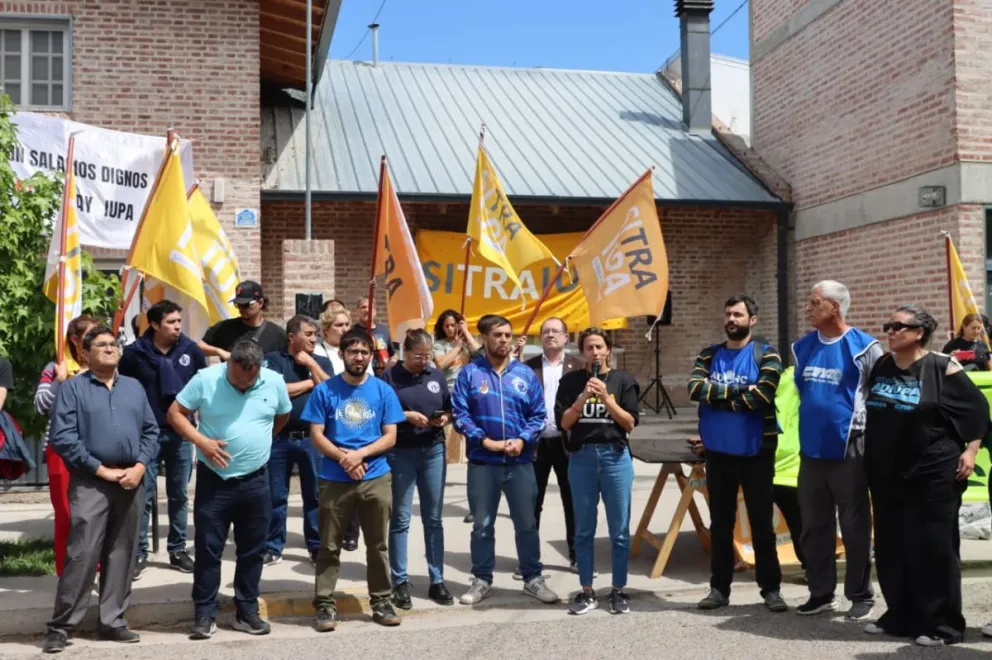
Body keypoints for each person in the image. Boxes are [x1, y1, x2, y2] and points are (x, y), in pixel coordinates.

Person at [861, 305, 988, 647]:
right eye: (888, 325)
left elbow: (977, 410)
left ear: (919, 333)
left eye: (899, 327)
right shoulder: (883, 365)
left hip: (933, 473)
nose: (890, 331)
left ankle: (942, 626)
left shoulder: (941, 367)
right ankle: (900, 616)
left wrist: (971, 449)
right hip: (887, 475)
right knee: (892, 548)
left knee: (934, 549)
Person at [43, 326, 159, 654]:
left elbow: (151, 431)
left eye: (113, 344)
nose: (110, 349)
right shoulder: (73, 389)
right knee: (82, 553)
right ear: (85, 353)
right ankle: (62, 625)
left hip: (131, 480)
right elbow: (62, 437)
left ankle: (113, 621)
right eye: (101, 345)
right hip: (92, 481)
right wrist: (101, 469)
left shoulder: (134, 388)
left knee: (122, 552)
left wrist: (139, 467)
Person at [167, 340, 292, 641]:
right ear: (230, 364)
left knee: (252, 549)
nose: (245, 384)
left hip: (256, 482)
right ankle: (204, 614)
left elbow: (282, 416)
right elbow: (175, 413)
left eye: (251, 380)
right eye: (239, 379)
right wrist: (202, 442)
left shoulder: (274, 382)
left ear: (259, 369)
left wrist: (260, 440)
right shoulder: (206, 379)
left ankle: (246, 610)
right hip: (215, 482)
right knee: (208, 549)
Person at [301, 328, 407, 632]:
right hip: (334, 477)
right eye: (352, 351)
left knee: (377, 545)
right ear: (343, 354)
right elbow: (317, 436)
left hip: (375, 476)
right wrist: (344, 458)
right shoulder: (325, 391)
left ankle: (382, 601)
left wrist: (359, 455)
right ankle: (324, 604)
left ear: (371, 356)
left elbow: (391, 436)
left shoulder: (383, 391)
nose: (358, 357)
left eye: (364, 352)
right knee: (329, 545)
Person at [451, 315, 559, 606]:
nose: (503, 340)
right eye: (497, 335)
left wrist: (522, 440)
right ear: (484, 337)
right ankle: (482, 579)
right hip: (483, 462)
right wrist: (484, 440)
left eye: (508, 335)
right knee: (483, 526)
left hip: (520, 463)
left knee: (526, 524)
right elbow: (460, 414)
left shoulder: (524, 374)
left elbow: (539, 416)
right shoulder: (469, 374)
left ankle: (532, 578)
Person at [687, 296, 786, 613]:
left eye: (738, 314)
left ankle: (771, 590)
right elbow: (693, 389)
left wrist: (718, 398)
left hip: (757, 450)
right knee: (721, 524)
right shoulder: (708, 354)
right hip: (718, 452)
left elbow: (762, 396)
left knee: (761, 523)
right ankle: (719, 589)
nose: (731, 318)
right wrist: (740, 393)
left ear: (752, 320)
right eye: (728, 313)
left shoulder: (766, 354)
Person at [792, 280, 881, 619]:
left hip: (850, 449)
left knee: (855, 524)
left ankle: (860, 595)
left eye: (815, 303)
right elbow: (804, 392)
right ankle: (820, 593)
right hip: (811, 451)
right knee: (814, 525)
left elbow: (876, 395)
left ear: (835, 307)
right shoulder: (801, 347)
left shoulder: (864, 347)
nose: (807, 308)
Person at [119, 300, 207, 579]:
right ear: (155, 325)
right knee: (142, 495)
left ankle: (178, 549)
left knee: (179, 494)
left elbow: (203, 387)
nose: (177, 326)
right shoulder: (134, 354)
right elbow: (123, 390)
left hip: (181, 435)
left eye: (179, 320)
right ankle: (140, 552)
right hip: (147, 435)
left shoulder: (190, 350)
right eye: (171, 322)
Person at [554, 327, 639, 615]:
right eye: (589, 348)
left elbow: (629, 423)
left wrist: (607, 398)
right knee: (584, 529)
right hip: (583, 458)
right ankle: (587, 590)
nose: (595, 353)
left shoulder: (622, 380)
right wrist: (582, 399)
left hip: (615, 457)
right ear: (582, 353)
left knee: (619, 530)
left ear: (608, 350)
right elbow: (564, 423)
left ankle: (617, 589)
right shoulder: (570, 382)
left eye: (600, 347)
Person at [381, 329, 454, 610]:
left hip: (433, 449)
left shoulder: (435, 376)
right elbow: (381, 413)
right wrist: (406, 416)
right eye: (418, 356)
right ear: (405, 353)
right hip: (401, 453)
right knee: (400, 518)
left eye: (427, 355)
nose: (424, 361)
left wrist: (444, 418)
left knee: (433, 518)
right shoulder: (390, 377)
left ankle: (437, 579)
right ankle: (399, 580)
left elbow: (449, 409)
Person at [261, 316, 332, 566]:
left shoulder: (320, 361)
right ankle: (273, 546)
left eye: (316, 334)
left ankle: (315, 546)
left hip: (313, 440)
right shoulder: (273, 359)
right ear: (292, 337)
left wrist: (312, 365)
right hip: (279, 439)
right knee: (276, 496)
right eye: (309, 334)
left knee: (314, 495)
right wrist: (311, 383)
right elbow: (276, 390)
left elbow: (331, 390)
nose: (314, 339)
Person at [35, 314, 97, 577]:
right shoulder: (56, 366)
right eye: (90, 335)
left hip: (96, 447)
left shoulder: (104, 367)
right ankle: (66, 572)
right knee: (66, 512)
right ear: (75, 339)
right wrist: (61, 380)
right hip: (61, 449)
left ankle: (95, 567)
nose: (97, 340)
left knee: (94, 512)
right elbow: (40, 406)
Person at [523, 317, 584, 577]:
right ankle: (529, 559)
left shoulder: (578, 368)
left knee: (573, 501)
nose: (550, 335)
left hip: (567, 443)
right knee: (531, 502)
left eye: (555, 331)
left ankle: (576, 555)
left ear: (566, 337)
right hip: (537, 444)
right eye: (545, 332)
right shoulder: (527, 368)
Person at [312, 306, 364, 551]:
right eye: (339, 325)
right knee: (333, 485)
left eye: (347, 324)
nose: (345, 329)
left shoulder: (358, 352)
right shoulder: (318, 353)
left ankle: (352, 531)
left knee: (356, 478)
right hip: (330, 423)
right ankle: (328, 533)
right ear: (326, 330)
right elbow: (325, 386)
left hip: (356, 417)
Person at [432, 309, 482, 518]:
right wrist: (457, 348)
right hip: (448, 396)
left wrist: (466, 333)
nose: (451, 329)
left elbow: (480, 355)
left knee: (474, 451)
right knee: (442, 448)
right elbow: (440, 364)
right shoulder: (439, 345)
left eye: (454, 325)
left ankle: (476, 505)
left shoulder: (469, 341)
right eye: (447, 326)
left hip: (470, 397)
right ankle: (434, 497)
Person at [200, 281, 287, 360]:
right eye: (238, 304)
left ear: (260, 303)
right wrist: (219, 352)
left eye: (246, 304)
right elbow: (196, 345)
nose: (241, 309)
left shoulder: (277, 335)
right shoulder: (225, 328)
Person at [355, 297, 396, 374]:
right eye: (363, 307)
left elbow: (393, 354)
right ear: (357, 311)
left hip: (383, 376)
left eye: (370, 307)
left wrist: (393, 361)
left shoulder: (384, 331)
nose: (367, 310)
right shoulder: (352, 332)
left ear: (375, 311)